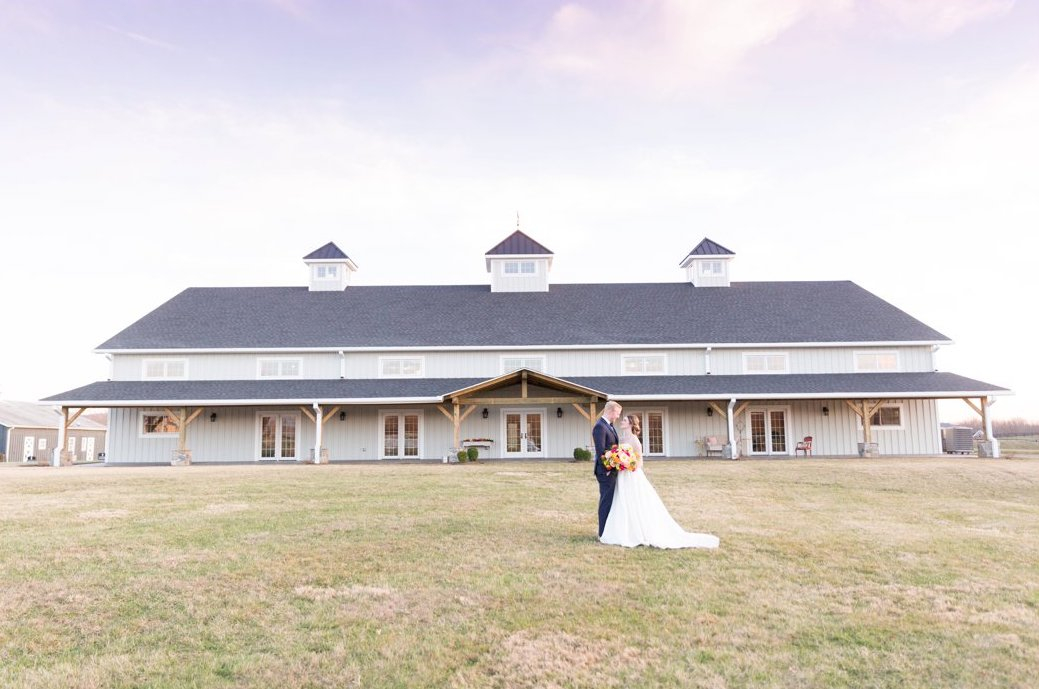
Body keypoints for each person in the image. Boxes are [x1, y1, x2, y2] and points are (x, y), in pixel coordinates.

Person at [600, 414, 720, 549]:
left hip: (632, 475)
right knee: (622, 501)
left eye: (625, 420)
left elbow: (640, 462)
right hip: (622, 475)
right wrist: (616, 462)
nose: (622, 421)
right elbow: (616, 454)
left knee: (634, 501)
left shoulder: (634, 441)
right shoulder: (621, 438)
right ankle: (623, 531)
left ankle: (638, 532)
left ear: (631, 424)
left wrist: (627, 463)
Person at [592, 400, 622, 538]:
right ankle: (602, 533)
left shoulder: (609, 426)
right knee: (606, 501)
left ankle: (610, 531)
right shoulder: (600, 427)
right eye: (617, 413)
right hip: (605, 472)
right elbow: (600, 451)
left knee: (611, 501)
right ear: (610, 411)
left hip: (613, 469)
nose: (617, 417)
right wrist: (608, 468)